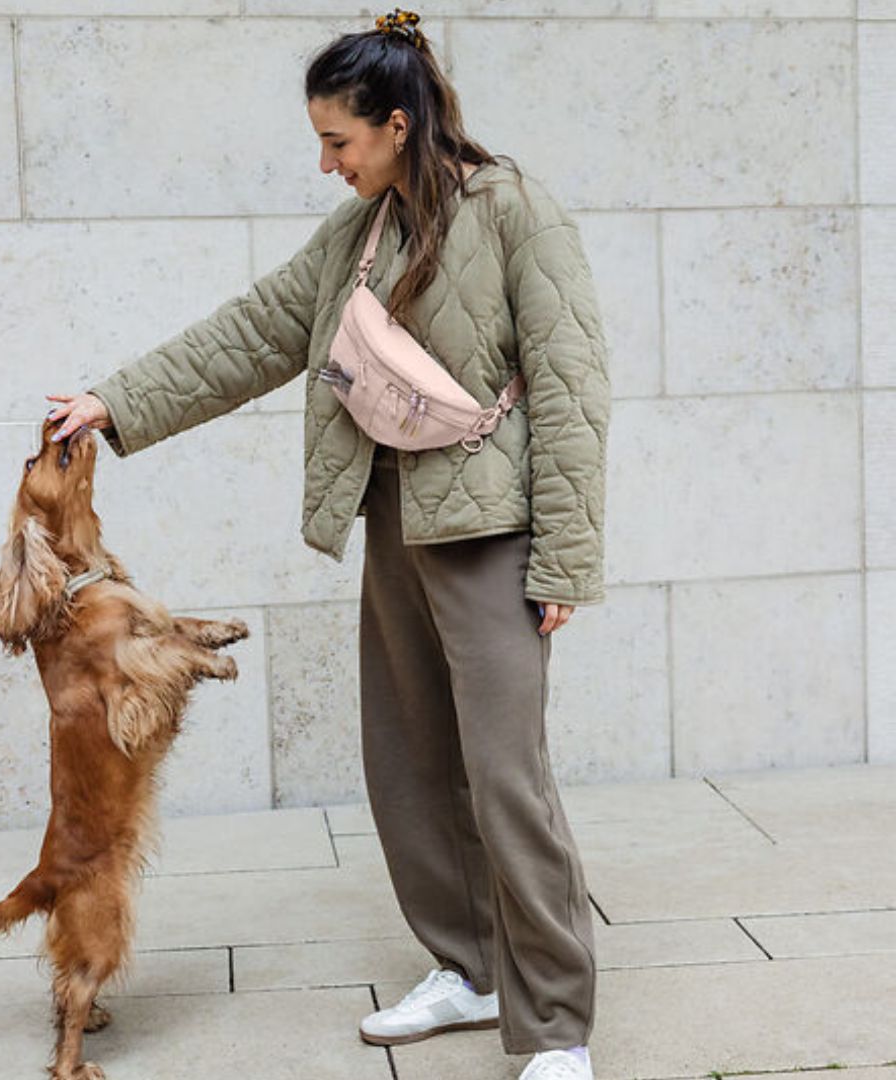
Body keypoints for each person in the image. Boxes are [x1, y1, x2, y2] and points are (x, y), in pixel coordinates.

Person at [47, 8, 610, 1079]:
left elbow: (573, 386)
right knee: (409, 765)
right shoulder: (360, 234)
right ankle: (470, 969)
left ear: (398, 124)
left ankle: (555, 1026)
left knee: (506, 780)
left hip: (492, 537)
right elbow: (253, 330)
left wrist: (566, 561)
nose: (326, 163)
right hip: (395, 522)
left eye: (337, 141)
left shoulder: (515, 211)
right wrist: (116, 402)